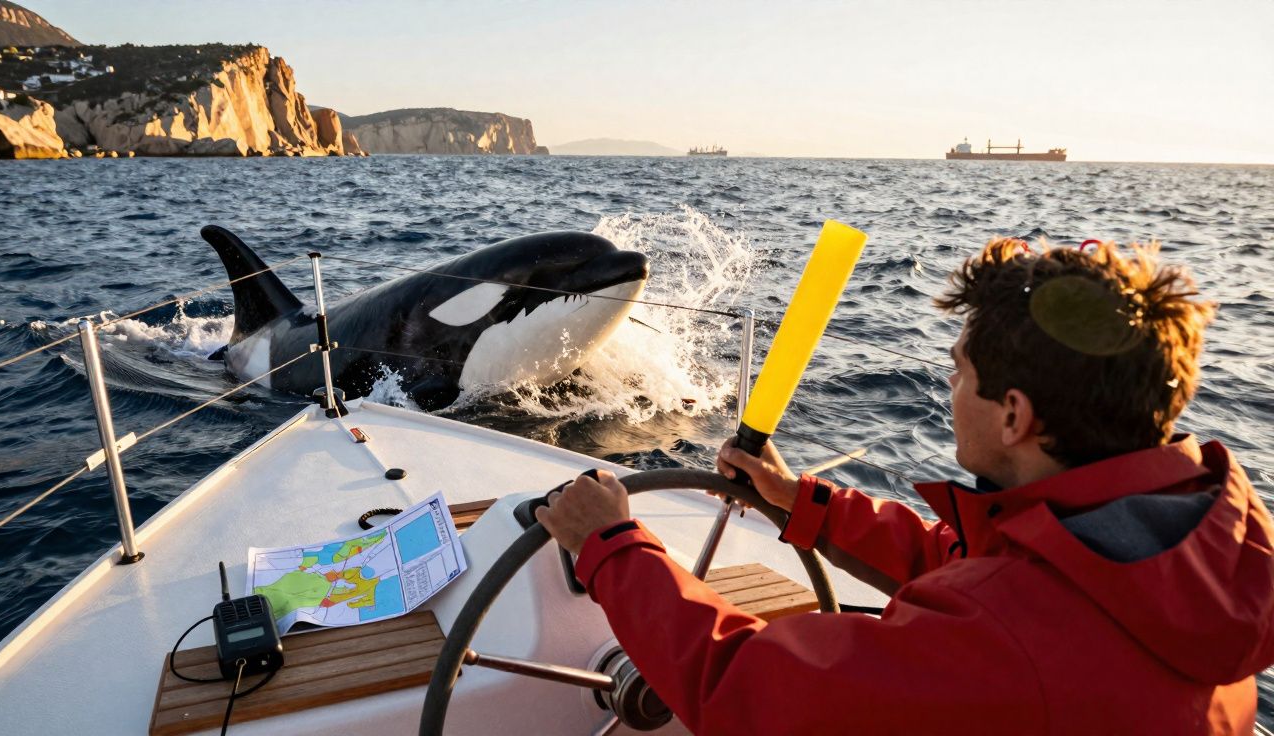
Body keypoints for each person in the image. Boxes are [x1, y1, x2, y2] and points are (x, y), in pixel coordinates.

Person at [535, 238, 1274, 735]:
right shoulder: (1193, 551)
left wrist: (612, 546)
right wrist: (806, 507)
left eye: (959, 373)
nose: (949, 388)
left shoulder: (1006, 635)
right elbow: (994, 580)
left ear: (1014, 415)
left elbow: (744, 689)